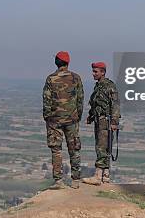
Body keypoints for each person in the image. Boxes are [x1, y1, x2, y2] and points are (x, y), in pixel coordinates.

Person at [43, 51, 84, 189]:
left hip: (54, 120)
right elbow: (80, 99)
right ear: (68, 62)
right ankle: (76, 180)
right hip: (72, 119)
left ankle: (58, 181)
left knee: (56, 150)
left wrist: (47, 117)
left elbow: (46, 100)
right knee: (74, 149)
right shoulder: (76, 78)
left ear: (56, 62)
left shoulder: (51, 79)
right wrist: (78, 116)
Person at [82, 61, 120, 185]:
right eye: (93, 71)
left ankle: (98, 176)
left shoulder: (110, 86)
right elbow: (96, 104)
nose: (93, 74)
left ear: (102, 72)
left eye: (95, 71)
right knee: (103, 147)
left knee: (102, 147)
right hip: (99, 120)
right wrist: (91, 116)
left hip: (106, 121)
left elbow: (115, 105)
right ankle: (105, 175)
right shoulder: (98, 86)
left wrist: (114, 122)